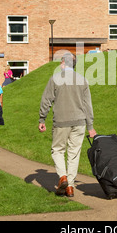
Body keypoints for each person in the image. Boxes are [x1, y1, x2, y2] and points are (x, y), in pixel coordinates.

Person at [39, 53, 96, 197]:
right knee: (73, 154)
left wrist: (42, 119)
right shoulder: (82, 80)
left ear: (63, 63)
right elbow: (87, 105)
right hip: (79, 122)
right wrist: (90, 126)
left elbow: (46, 100)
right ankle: (70, 186)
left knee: (57, 150)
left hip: (61, 122)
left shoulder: (55, 79)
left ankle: (63, 177)